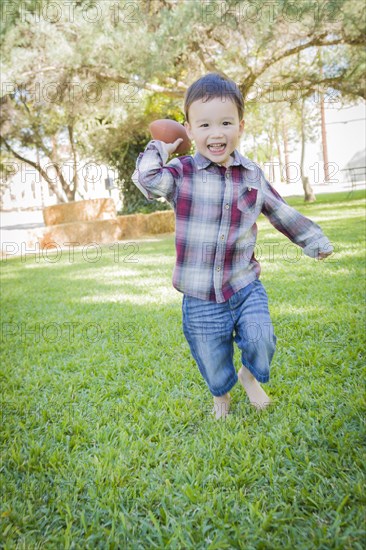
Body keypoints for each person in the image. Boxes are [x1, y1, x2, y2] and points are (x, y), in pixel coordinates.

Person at [132, 73, 333, 419]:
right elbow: (147, 180)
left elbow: (279, 210)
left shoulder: (252, 175)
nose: (216, 133)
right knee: (210, 354)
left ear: (240, 125)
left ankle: (250, 375)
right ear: (190, 130)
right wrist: (160, 148)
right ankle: (221, 396)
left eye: (226, 122)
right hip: (199, 294)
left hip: (244, 283)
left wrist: (313, 240)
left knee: (261, 338)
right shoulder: (181, 174)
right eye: (205, 124)